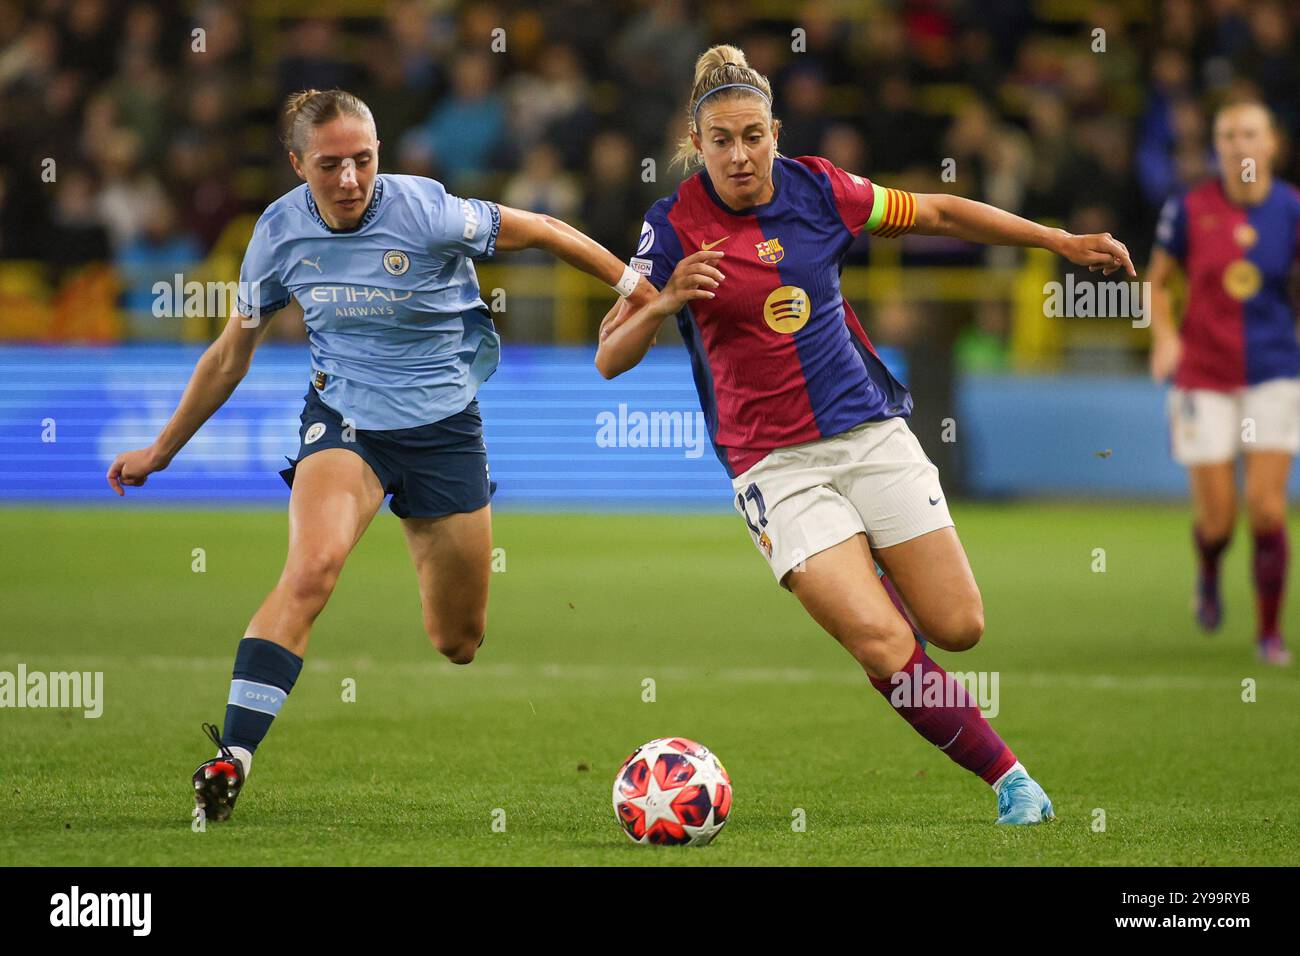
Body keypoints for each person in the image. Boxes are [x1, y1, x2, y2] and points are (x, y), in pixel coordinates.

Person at [598, 45, 1137, 824]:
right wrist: (664, 297)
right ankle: (1012, 781)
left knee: (959, 626)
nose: (740, 154)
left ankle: (866, 580)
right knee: (885, 644)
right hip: (775, 468)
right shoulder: (672, 225)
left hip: (870, 434)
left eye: (753, 135)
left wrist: (1056, 242)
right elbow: (610, 358)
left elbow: (941, 212)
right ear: (697, 142)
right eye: (722, 140)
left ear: (776, 133)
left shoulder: (823, 188)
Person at [105, 88, 654, 821]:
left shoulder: (426, 209)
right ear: (297, 164)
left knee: (457, 641)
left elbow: (547, 228)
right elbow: (232, 353)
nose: (351, 180)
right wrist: (162, 449)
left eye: (363, 160)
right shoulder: (276, 234)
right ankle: (231, 757)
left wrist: (631, 285)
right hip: (345, 423)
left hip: (443, 429)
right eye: (330, 165)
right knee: (312, 570)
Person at [1149, 100, 1300, 666]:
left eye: (1250, 134)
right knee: (1218, 521)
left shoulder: (1292, 209)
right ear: (1217, 147)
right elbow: (1158, 283)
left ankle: (1268, 633)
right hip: (1204, 379)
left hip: (1274, 374)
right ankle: (1210, 567)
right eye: (1227, 135)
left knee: (1265, 508)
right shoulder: (1188, 209)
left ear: (1271, 144)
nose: (1238, 144)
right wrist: (1165, 337)